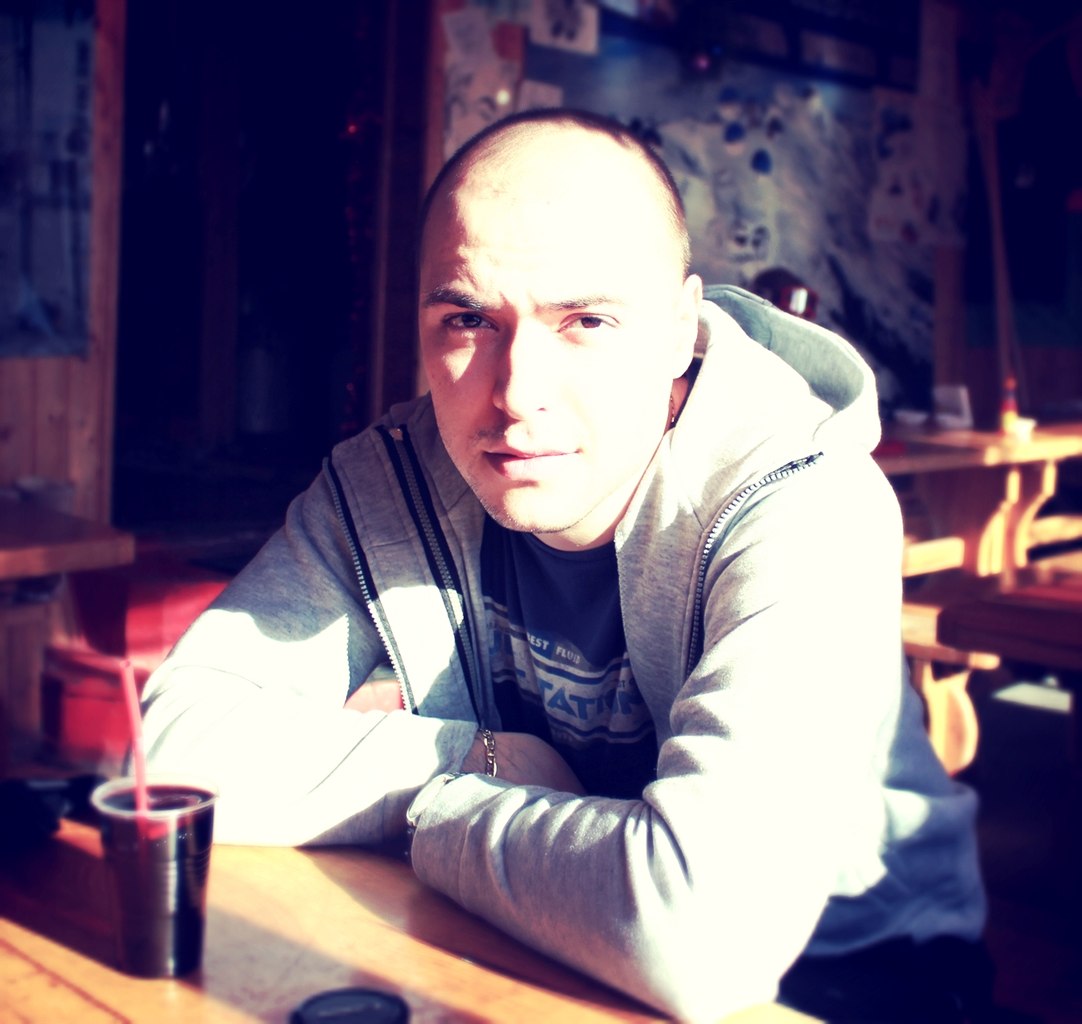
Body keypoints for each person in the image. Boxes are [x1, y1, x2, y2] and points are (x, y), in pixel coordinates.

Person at [141, 109, 988, 1022]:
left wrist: (434, 806)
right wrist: (482, 758)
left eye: (585, 320)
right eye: (468, 319)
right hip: (540, 926)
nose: (516, 393)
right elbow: (169, 748)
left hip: (851, 971)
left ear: (679, 330)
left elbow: (702, 937)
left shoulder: (803, 504)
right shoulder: (390, 476)